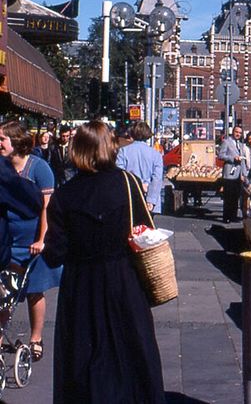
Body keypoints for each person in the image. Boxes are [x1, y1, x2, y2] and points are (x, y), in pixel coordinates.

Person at [43, 121, 165, 403]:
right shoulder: (127, 183)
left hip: (81, 284)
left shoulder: (64, 194)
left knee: (83, 360)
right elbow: (145, 231)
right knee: (132, 354)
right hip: (123, 280)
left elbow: (55, 254)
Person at [0, 121, 59, 362]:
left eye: (2, 139)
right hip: (9, 240)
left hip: (34, 240)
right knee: (5, 292)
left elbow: (47, 208)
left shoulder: (39, 168)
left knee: (35, 290)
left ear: (17, 141)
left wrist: (42, 239)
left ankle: (36, 338)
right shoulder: (3, 167)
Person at [116, 121, 164, 214]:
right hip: (148, 197)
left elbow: (119, 174)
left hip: (130, 196)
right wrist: (151, 199)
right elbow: (157, 179)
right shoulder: (156, 155)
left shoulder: (123, 151)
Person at [218, 126, 245, 223]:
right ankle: (227, 217)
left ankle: (233, 216)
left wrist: (243, 173)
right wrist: (233, 159)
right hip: (229, 173)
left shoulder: (241, 145)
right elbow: (220, 155)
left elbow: (242, 161)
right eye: (236, 132)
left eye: (240, 133)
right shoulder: (226, 142)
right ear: (233, 132)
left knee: (235, 197)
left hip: (238, 174)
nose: (238, 134)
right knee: (228, 197)